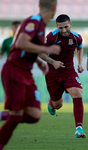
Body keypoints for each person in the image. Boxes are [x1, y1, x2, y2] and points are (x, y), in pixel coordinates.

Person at [0, 0, 60, 149]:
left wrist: (39, 63)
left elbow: (28, 47)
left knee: (34, 115)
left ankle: (1, 115)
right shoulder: (33, 22)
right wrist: (49, 49)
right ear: (54, 8)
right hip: (14, 70)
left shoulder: (40, 26)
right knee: (16, 116)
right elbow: (20, 43)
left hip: (25, 73)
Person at [38, 14, 86, 138]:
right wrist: (53, 62)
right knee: (57, 105)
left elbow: (80, 48)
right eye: (61, 28)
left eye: (66, 27)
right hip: (53, 74)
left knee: (77, 93)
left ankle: (79, 128)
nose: (64, 30)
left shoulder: (76, 37)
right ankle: (51, 103)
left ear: (70, 25)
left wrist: (80, 63)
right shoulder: (51, 37)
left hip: (69, 72)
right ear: (57, 27)